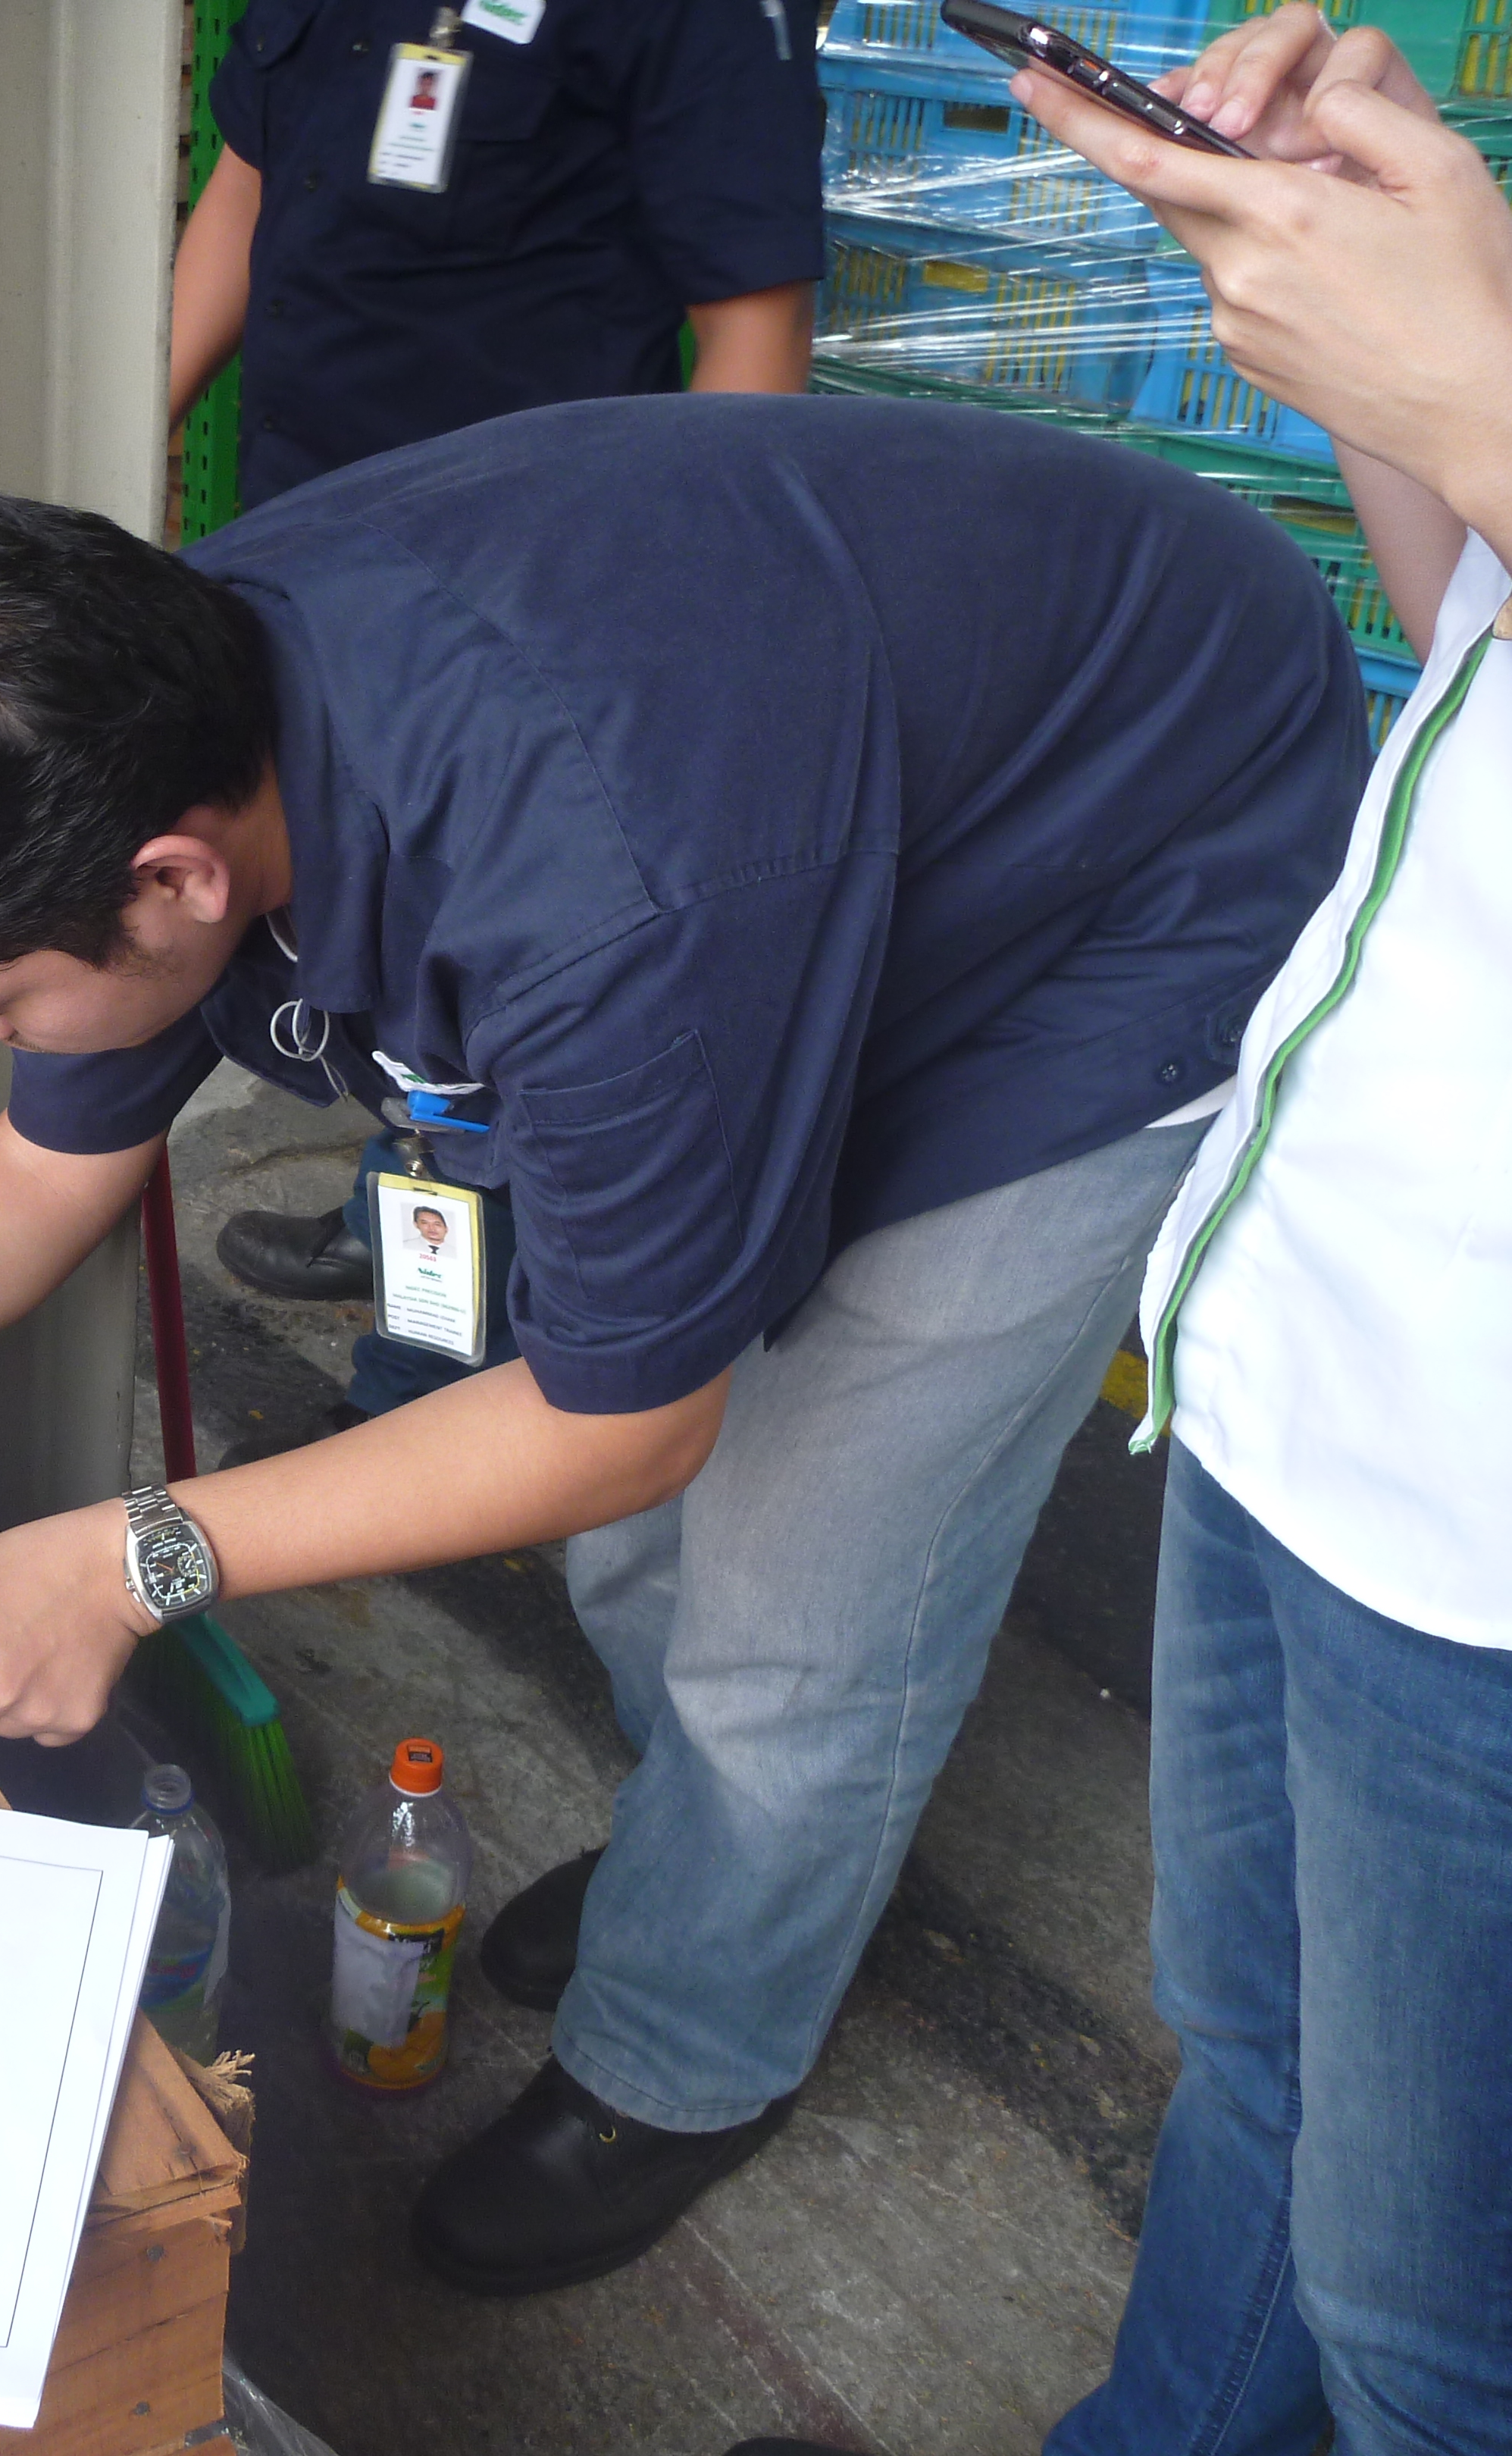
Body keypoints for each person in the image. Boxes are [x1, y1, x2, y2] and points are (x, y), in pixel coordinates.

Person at [0, 396, 1360, 2295]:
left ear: (177, 882)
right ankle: (723, 1853)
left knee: (806, 1589)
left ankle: (689, 2059)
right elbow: (40, 1174)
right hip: (805, 825)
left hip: (1124, 893)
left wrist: (130, 1559)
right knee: (638, 1543)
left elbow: (623, 1422)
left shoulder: (591, 893)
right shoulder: (125, 731)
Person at [992, 17, 1510, 2450]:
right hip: (1301, 1341)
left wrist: (1481, 394)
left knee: (1429, 2322)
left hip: (1483, 1530)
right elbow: (1477, 651)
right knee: (1258, 2060)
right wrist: (1388, 366)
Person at [173, 0, 825, 1441]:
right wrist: (114, 438)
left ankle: (428, 1407)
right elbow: (246, 192)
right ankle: (406, 1226)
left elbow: (756, 326)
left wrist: (671, 643)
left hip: (522, 625)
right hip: (301, 584)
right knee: (368, 979)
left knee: (498, 1017)